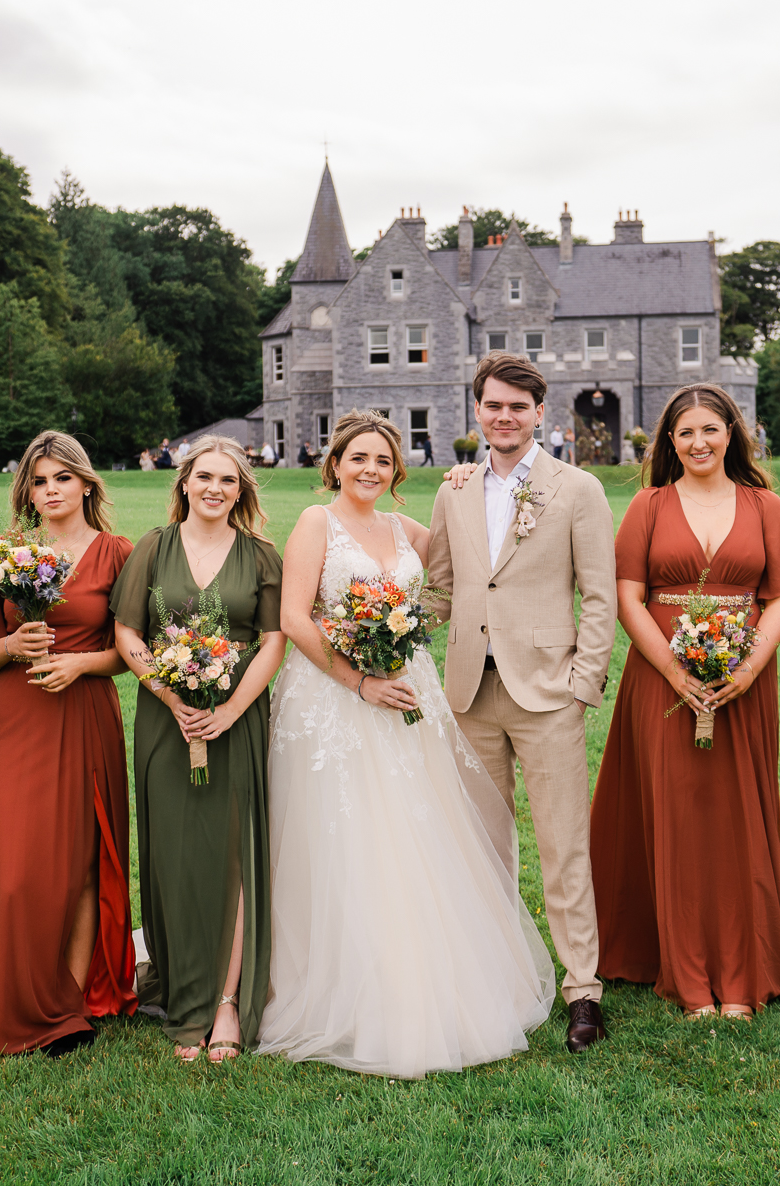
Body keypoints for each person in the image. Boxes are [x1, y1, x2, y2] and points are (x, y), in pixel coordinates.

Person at [258, 410, 555, 1078]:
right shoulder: (316, 524)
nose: (370, 470)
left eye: (384, 462)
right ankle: (343, 989)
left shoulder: (406, 530)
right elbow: (292, 617)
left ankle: (426, 981)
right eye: (358, 458)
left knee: (415, 832)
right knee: (343, 836)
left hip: (408, 693)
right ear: (334, 463)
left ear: (397, 474)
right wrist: (356, 679)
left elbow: (477, 551)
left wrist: (467, 482)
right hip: (334, 697)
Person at [589, 385, 780, 1020]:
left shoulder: (764, 506)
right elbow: (628, 597)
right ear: (669, 443)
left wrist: (748, 666)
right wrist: (675, 671)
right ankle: (684, 974)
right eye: (686, 433)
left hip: (744, 681)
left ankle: (742, 971)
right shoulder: (648, 506)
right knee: (675, 815)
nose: (699, 442)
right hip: (662, 680)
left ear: (733, 434)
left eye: (711, 429)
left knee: (736, 814)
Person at [427, 354, 617, 1052]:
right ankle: (496, 984)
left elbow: (599, 595)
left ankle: (583, 991)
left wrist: (582, 684)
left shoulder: (577, 489)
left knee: (563, 847)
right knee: (482, 849)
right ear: (475, 411)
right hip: (469, 693)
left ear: (540, 412)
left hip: (547, 695)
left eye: (517, 407)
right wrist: (380, 630)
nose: (503, 417)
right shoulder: (454, 489)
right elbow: (441, 589)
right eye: (492, 405)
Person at [113, 436, 287, 1063]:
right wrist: (168, 695)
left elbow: (273, 641)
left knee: (235, 854)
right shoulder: (152, 549)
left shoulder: (262, 555)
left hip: (237, 720)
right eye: (205, 477)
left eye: (230, 481)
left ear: (241, 491)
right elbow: (128, 632)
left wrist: (231, 711)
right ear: (183, 482)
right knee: (174, 855)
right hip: (167, 722)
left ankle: (225, 1004)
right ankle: (186, 996)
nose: (216, 489)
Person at [0, 432, 136, 1055]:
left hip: (87, 708)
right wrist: (14, 647)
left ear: (86, 484)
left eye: (62, 478)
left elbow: (130, 651)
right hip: (24, 716)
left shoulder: (118, 554)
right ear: (26, 491)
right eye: (38, 482)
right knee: (19, 867)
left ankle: (71, 1003)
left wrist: (80, 666)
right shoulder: (5, 552)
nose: (51, 491)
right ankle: (15, 998)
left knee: (85, 861)